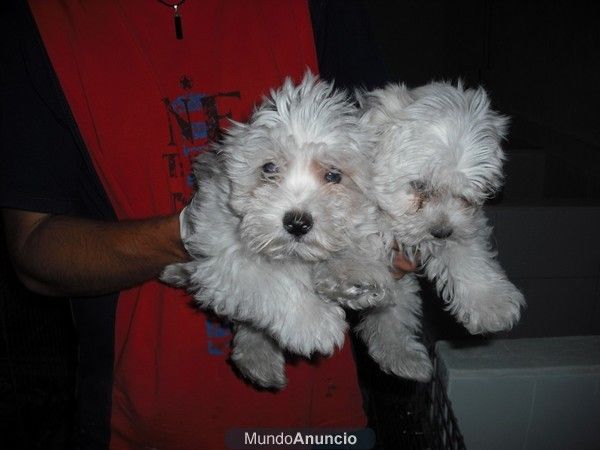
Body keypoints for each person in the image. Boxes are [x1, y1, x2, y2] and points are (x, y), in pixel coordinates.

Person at [0, 1, 414, 448]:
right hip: (142, 423)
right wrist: (197, 234)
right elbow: (34, 251)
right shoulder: (38, 20)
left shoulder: (321, 9)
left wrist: (407, 222)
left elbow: (387, 160)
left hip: (319, 419)